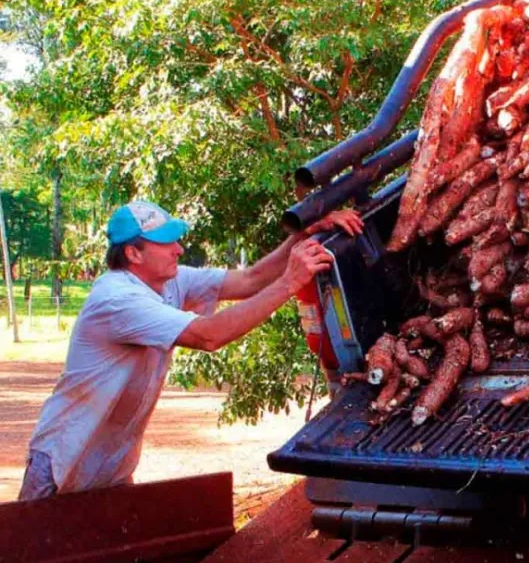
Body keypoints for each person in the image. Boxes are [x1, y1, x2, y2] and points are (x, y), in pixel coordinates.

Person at [18, 200, 363, 501]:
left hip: (112, 466)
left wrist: (303, 234)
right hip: (64, 462)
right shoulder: (117, 300)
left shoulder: (169, 280)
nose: (179, 248)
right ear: (133, 253)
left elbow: (250, 279)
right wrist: (290, 282)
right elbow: (209, 336)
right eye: (166, 242)